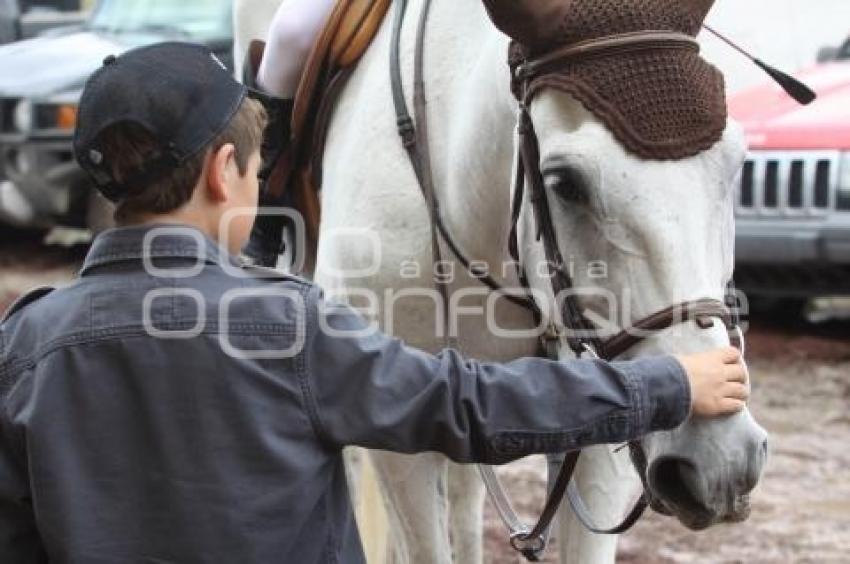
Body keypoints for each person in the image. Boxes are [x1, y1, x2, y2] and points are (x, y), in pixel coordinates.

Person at [0, 43, 749, 563]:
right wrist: (666, 385)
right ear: (226, 173)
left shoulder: (23, 343)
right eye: (266, 171)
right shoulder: (292, 328)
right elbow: (465, 405)